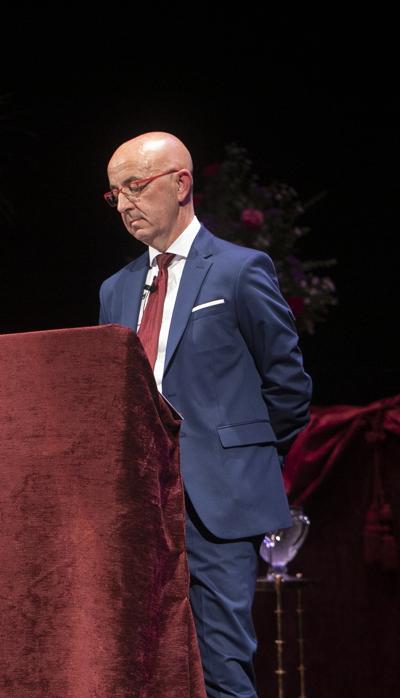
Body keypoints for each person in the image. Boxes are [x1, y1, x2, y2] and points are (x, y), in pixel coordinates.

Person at [98, 132, 312, 697]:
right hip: (139, 505)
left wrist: (239, 460)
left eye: (136, 187)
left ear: (181, 183)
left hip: (216, 505)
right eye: (115, 193)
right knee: (146, 667)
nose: (124, 204)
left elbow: (288, 388)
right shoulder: (115, 290)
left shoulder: (241, 271)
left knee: (222, 668)